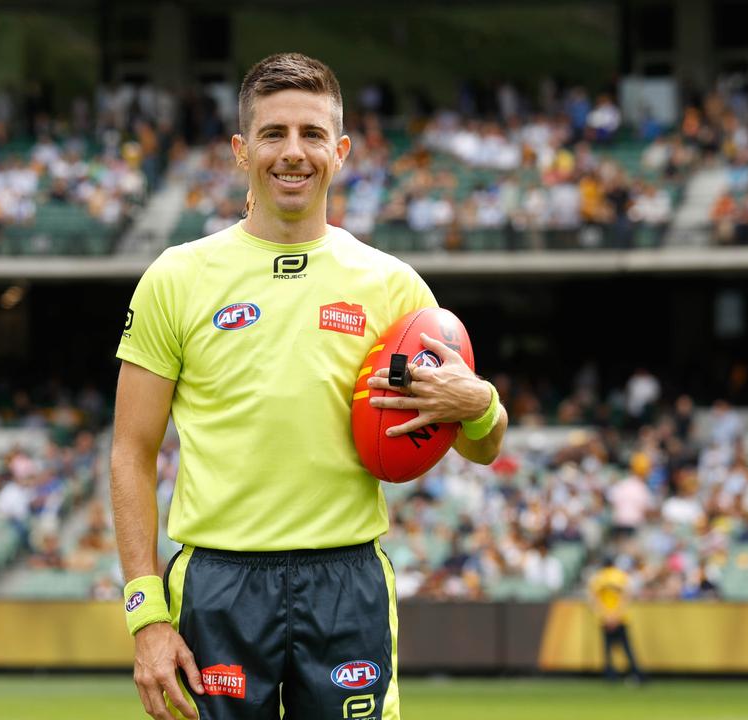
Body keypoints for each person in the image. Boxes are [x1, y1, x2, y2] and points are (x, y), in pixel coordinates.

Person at [111, 53, 507, 720]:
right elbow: (130, 449)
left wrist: (481, 405)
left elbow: (482, 446)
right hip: (217, 585)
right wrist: (146, 615)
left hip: (345, 581)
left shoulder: (394, 288)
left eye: (312, 134)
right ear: (242, 150)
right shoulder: (176, 277)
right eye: (273, 134)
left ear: (341, 150)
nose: (292, 153)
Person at [587, 558, 644, 684]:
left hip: (605, 619)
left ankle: (610, 676)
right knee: (627, 649)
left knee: (608, 650)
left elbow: (594, 599)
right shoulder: (621, 576)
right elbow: (627, 597)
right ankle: (635, 674)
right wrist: (616, 615)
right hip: (620, 618)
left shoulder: (599, 578)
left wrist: (606, 615)